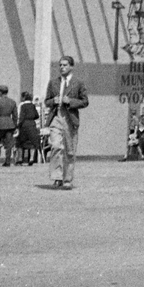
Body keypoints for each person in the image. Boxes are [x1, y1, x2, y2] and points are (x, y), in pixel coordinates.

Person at [43, 55, 89, 190]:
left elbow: (85, 101)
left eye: (65, 65)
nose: (62, 67)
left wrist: (71, 102)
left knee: (69, 150)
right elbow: (47, 101)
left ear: (71, 66)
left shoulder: (78, 83)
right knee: (56, 146)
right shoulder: (53, 83)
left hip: (70, 119)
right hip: (55, 117)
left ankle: (67, 179)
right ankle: (57, 177)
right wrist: (54, 101)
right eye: (60, 65)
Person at [0, 85, 19, 167]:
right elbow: (15, 115)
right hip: (9, 124)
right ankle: (8, 161)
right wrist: (15, 125)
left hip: (0, 123)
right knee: (9, 144)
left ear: (0, 92)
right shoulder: (12, 102)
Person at [16, 91, 42, 165]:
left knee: (20, 142)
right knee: (32, 142)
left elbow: (21, 117)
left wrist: (18, 125)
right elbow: (36, 115)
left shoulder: (23, 106)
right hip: (32, 124)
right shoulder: (33, 106)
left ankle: (20, 158)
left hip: (24, 125)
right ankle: (31, 158)